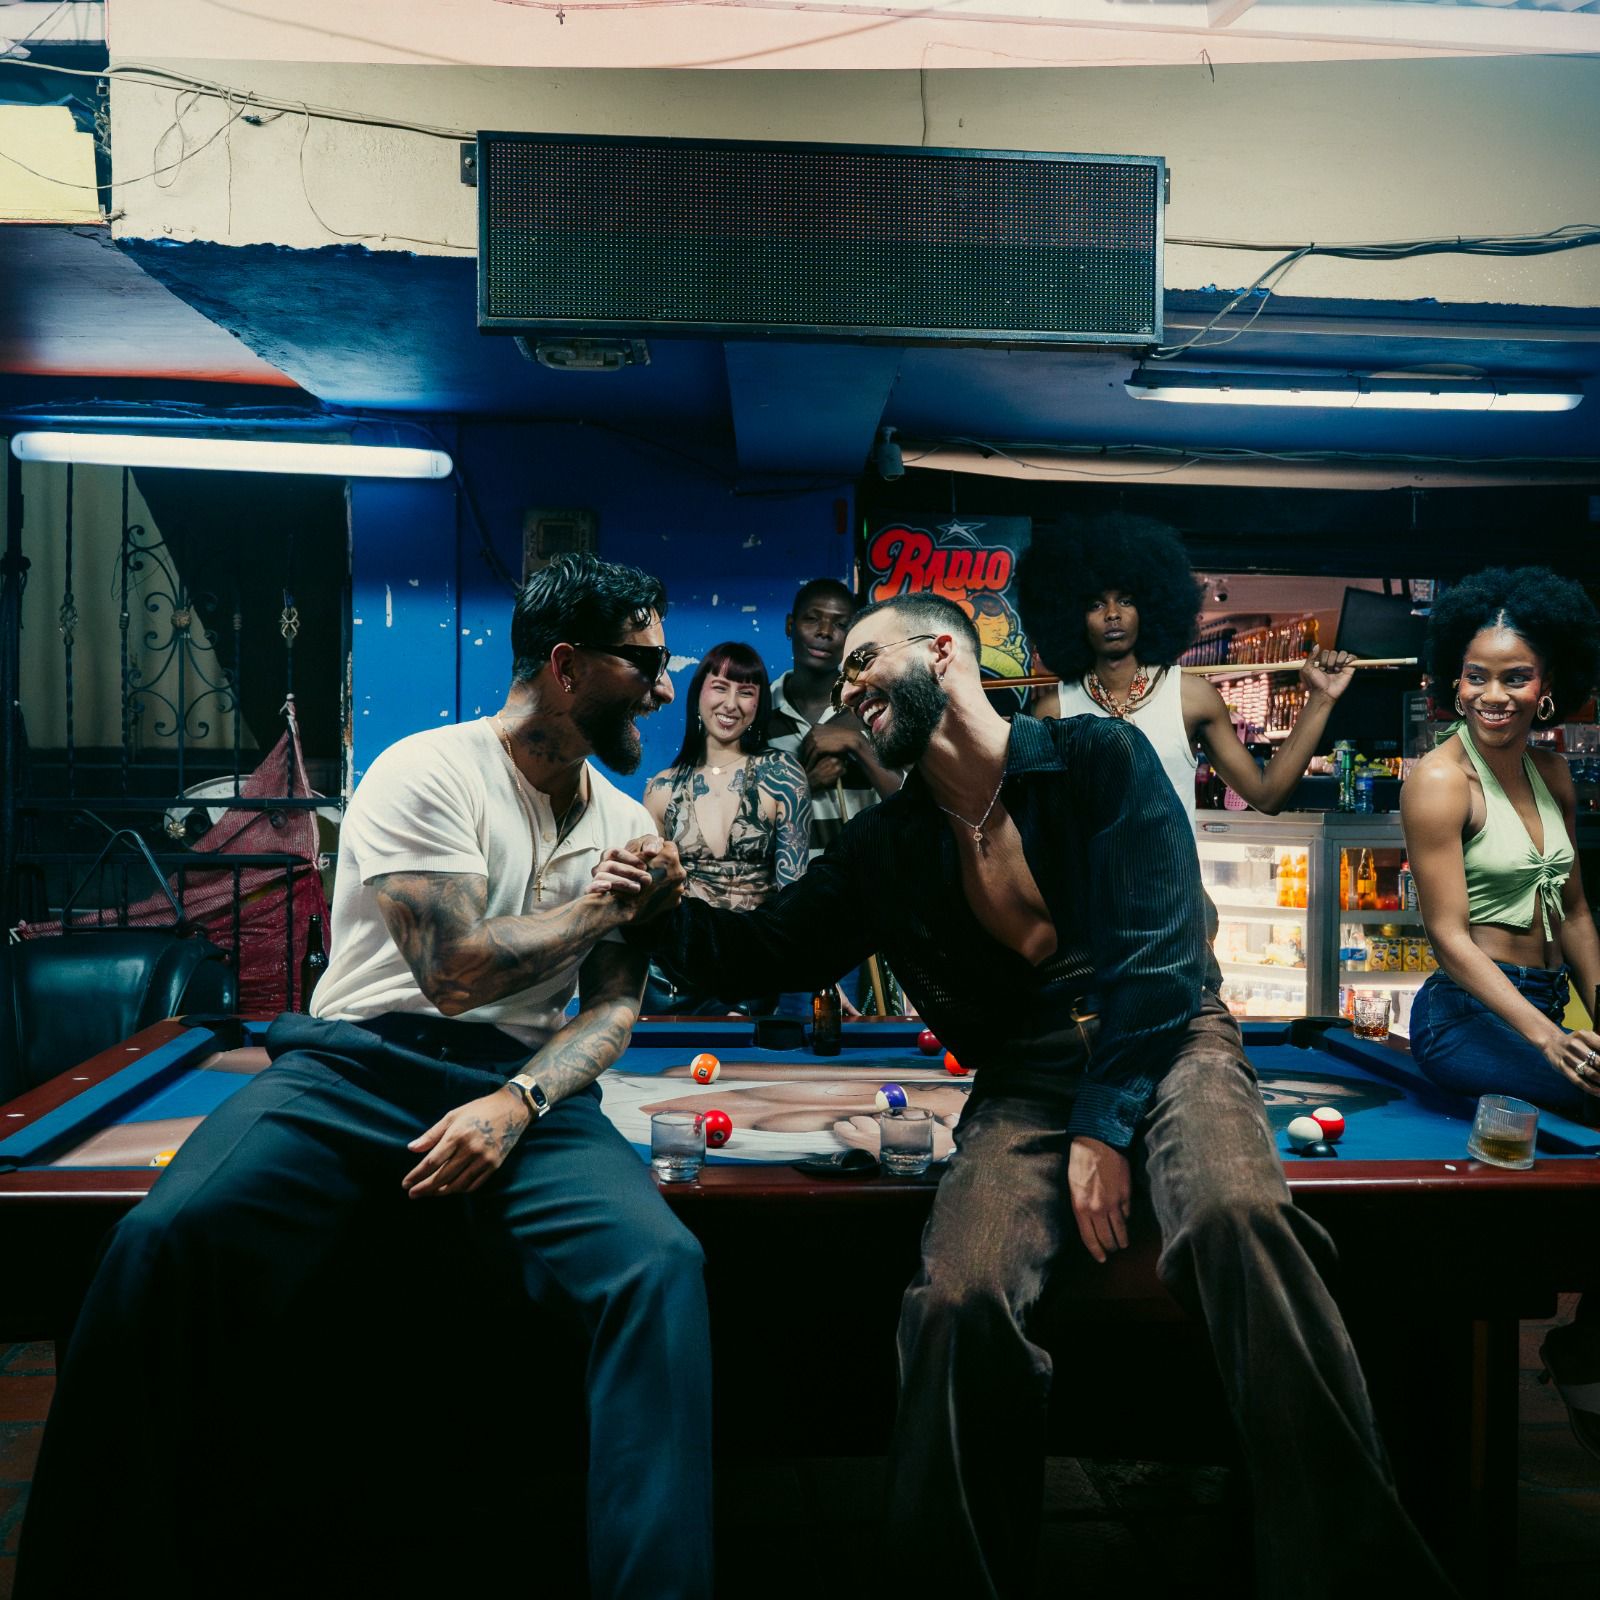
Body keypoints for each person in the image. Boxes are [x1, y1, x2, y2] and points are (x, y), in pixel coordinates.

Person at [594, 592, 1455, 1599]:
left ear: (941, 651)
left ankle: (1357, 1573)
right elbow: (761, 951)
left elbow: (1163, 958)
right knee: (957, 1299)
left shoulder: (1098, 759)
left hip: (1168, 1037)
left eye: (866, 659)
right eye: (844, 675)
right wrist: (655, 912)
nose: (849, 686)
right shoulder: (887, 845)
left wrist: (1103, 1128)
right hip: (1024, 1078)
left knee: (1237, 1215)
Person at [18, 553, 709, 1600]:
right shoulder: (426, 771)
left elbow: (613, 1006)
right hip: (355, 1067)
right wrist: (608, 904)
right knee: (162, 1240)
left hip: (518, 1084)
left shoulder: (628, 825)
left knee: (659, 1266)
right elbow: (454, 971)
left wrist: (520, 1101)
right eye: (645, 664)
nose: (664, 690)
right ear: (567, 666)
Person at [1400, 564, 1600, 1458]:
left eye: (1515, 676)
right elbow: (1448, 937)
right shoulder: (1440, 781)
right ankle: (1583, 1349)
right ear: (1454, 680)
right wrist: (1549, 1037)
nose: (1494, 694)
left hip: (1547, 1003)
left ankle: (1585, 1339)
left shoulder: (1553, 770)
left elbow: (1577, 913)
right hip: (1467, 1018)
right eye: (1477, 675)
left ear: (1547, 682)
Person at [1016, 512, 1356, 825]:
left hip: (1173, 874)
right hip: (1085, 876)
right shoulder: (1053, 713)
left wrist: (1321, 699)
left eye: (1127, 600)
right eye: (1095, 604)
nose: (1112, 614)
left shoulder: (1190, 698)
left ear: (1151, 607)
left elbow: (1267, 796)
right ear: (1071, 616)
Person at [640, 641, 811, 1012]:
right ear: (699, 693)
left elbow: (795, 894)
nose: (731, 704)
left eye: (746, 692)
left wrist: (820, 970)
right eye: (720, 687)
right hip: (675, 974)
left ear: (759, 703)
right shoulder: (661, 788)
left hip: (753, 970)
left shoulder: (781, 775)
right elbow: (652, 898)